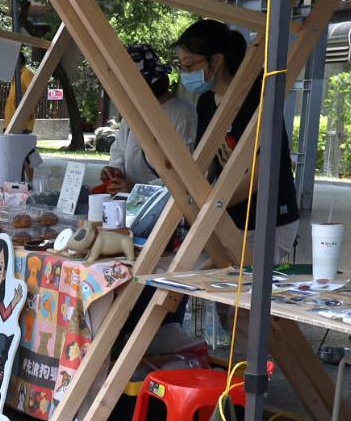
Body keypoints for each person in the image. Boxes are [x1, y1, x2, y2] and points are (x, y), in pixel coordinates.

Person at [176, 18, 299, 259]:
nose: (184, 73)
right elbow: (207, 160)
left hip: (267, 220)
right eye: (180, 66)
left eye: (189, 65)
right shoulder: (206, 103)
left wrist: (211, 205)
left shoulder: (256, 97)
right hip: (228, 218)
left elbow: (260, 173)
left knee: (243, 292)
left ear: (216, 60)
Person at [103, 44, 197, 192]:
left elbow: (182, 172)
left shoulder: (181, 113)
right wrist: (114, 171)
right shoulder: (133, 113)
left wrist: (137, 189)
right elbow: (119, 151)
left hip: (165, 202)